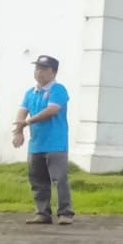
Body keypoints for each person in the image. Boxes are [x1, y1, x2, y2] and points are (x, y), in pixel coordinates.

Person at [13, 55, 73, 225]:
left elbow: (52, 110)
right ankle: (42, 212)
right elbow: (22, 112)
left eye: (44, 69)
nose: (39, 72)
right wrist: (18, 131)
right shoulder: (31, 92)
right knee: (37, 180)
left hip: (56, 143)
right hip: (36, 143)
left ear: (53, 72)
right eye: (37, 68)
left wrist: (28, 122)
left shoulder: (58, 90)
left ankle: (65, 212)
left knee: (59, 178)